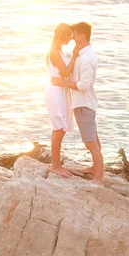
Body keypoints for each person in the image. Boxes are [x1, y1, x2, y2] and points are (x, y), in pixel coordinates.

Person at [51, 22, 103, 185]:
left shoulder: (87, 58)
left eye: (74, 34)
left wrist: (63, 84)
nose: (72, 37)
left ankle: (100, 178)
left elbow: (84, 85)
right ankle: (95, 167)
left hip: (84, 103)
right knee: (93, 136)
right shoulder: (82, 54)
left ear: (81, 35)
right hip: (83, 102)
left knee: (89, 142)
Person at [44, 23, 79, 178]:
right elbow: (65, 72)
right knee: (59, 128)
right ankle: (55, 166)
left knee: (58, 128)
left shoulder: (58, 51)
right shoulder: (54, 52)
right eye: (69, 35)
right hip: (56, 91)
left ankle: (55, 164)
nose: (71, 38)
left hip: (61, 91)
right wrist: (75, 56)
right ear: (63, 35)